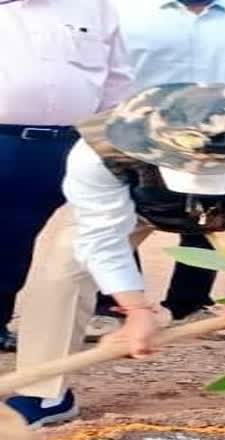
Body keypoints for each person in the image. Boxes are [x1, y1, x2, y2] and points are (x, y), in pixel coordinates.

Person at [6, 83, 225, 428]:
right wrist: (135, 308)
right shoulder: (103, 146)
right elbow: (101, 233)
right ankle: (44, 394)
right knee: (59, 277)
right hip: (137, 205)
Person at [86, 0, 225, 338]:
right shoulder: (118, 15)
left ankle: (191, 302)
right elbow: (106, 80)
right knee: (117, 223)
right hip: (136, 143)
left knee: (210, 217)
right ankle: (113, 304)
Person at [0, 0, 132, 351]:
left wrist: (111, 144)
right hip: (4, 139)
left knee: (45, 241)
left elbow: (117, 81)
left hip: (73, 144)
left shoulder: (92, 7)